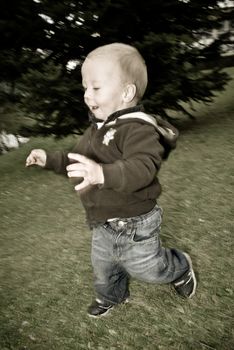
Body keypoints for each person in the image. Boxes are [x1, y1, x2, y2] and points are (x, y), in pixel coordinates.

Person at [26, 43, 197, 318]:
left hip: (135, 220)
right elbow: (77, 160)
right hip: (102, 220)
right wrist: (48, 159)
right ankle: (112, 296)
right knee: (104, 266)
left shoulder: (138, 129)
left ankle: (179, 266)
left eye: (95, 87)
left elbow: (143, 167)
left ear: (127, 92)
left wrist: (102, 173)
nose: (86, 95)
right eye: (85, 87)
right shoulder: (96, 129)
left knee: (148, 268)